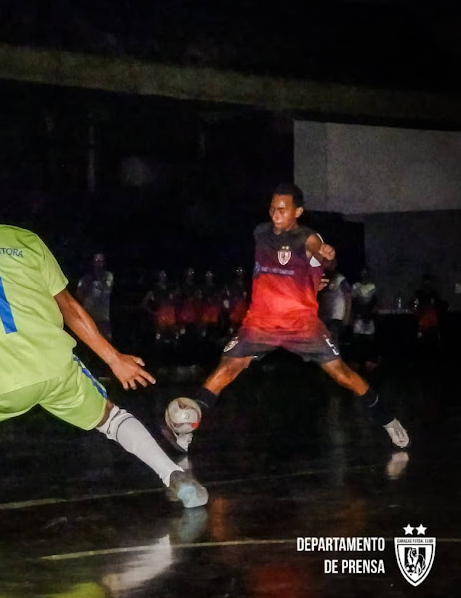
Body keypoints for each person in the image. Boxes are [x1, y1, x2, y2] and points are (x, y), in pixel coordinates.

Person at [0, 173, 207, 508]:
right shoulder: (26, 240)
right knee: (110, 417)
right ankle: (175, 476)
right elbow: (69, 307)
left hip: (0, 381)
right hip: (56, 368)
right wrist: (114, 358)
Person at [163, 183, 409, 453]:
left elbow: (319, 253)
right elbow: (286, 268)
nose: (275, 214)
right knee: (226, 368)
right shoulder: (261, 233)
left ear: (298, 211)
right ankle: (185, 430)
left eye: (282, 209)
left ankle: (388, 421)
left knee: (342, 374)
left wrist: (326, 255)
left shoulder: (307, 238)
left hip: (301, 325)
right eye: (272, 208)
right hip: (260, 323)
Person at [76, 252, 114, 341]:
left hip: (104, 317)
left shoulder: (108, 276)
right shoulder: (86, 279)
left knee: (107, 342)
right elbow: (79, 295)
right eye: (97, 260)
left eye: (101, 260)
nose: (99, 263)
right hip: (89, 317)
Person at [317, 268, 352, 347]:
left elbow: (348, 298)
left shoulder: (340, 280)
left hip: (336, 317)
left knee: (332, 343)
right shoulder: (322, 278)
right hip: (324, 316)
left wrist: (347, 316)